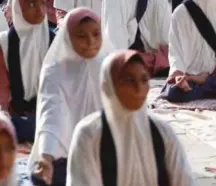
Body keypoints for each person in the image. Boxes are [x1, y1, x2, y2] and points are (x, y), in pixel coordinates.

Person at [67, 50, 194, 186]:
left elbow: (184, 181)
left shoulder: (162, 131)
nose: (139, 88)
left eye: (144, 80)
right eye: (129, 80)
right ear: (108, 86)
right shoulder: (90, 134)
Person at [29, 8, 110, 186]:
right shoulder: (55, 71)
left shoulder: (109, 67)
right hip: (67, 156)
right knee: (44, 177)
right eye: (81, 36)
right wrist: (46, 157)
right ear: (68, 37)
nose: (91, 42)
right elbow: (51, 114)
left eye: (96, 34)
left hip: (107, 155)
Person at [0, 0, 55, 143]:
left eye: (42, 4)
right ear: (18, 8)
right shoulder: (3, 43)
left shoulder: (55, 41)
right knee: (3, 128)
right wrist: (2, 110)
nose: (40, 10)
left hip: (48, 112)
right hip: (16, 112)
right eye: (32, 4)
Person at [161, 0, 216, 102]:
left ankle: (203, 82)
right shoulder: (181, 13)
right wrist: (178, 74)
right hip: (189, 74)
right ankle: (199, 82)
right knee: (175, 92)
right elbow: (176, 51)